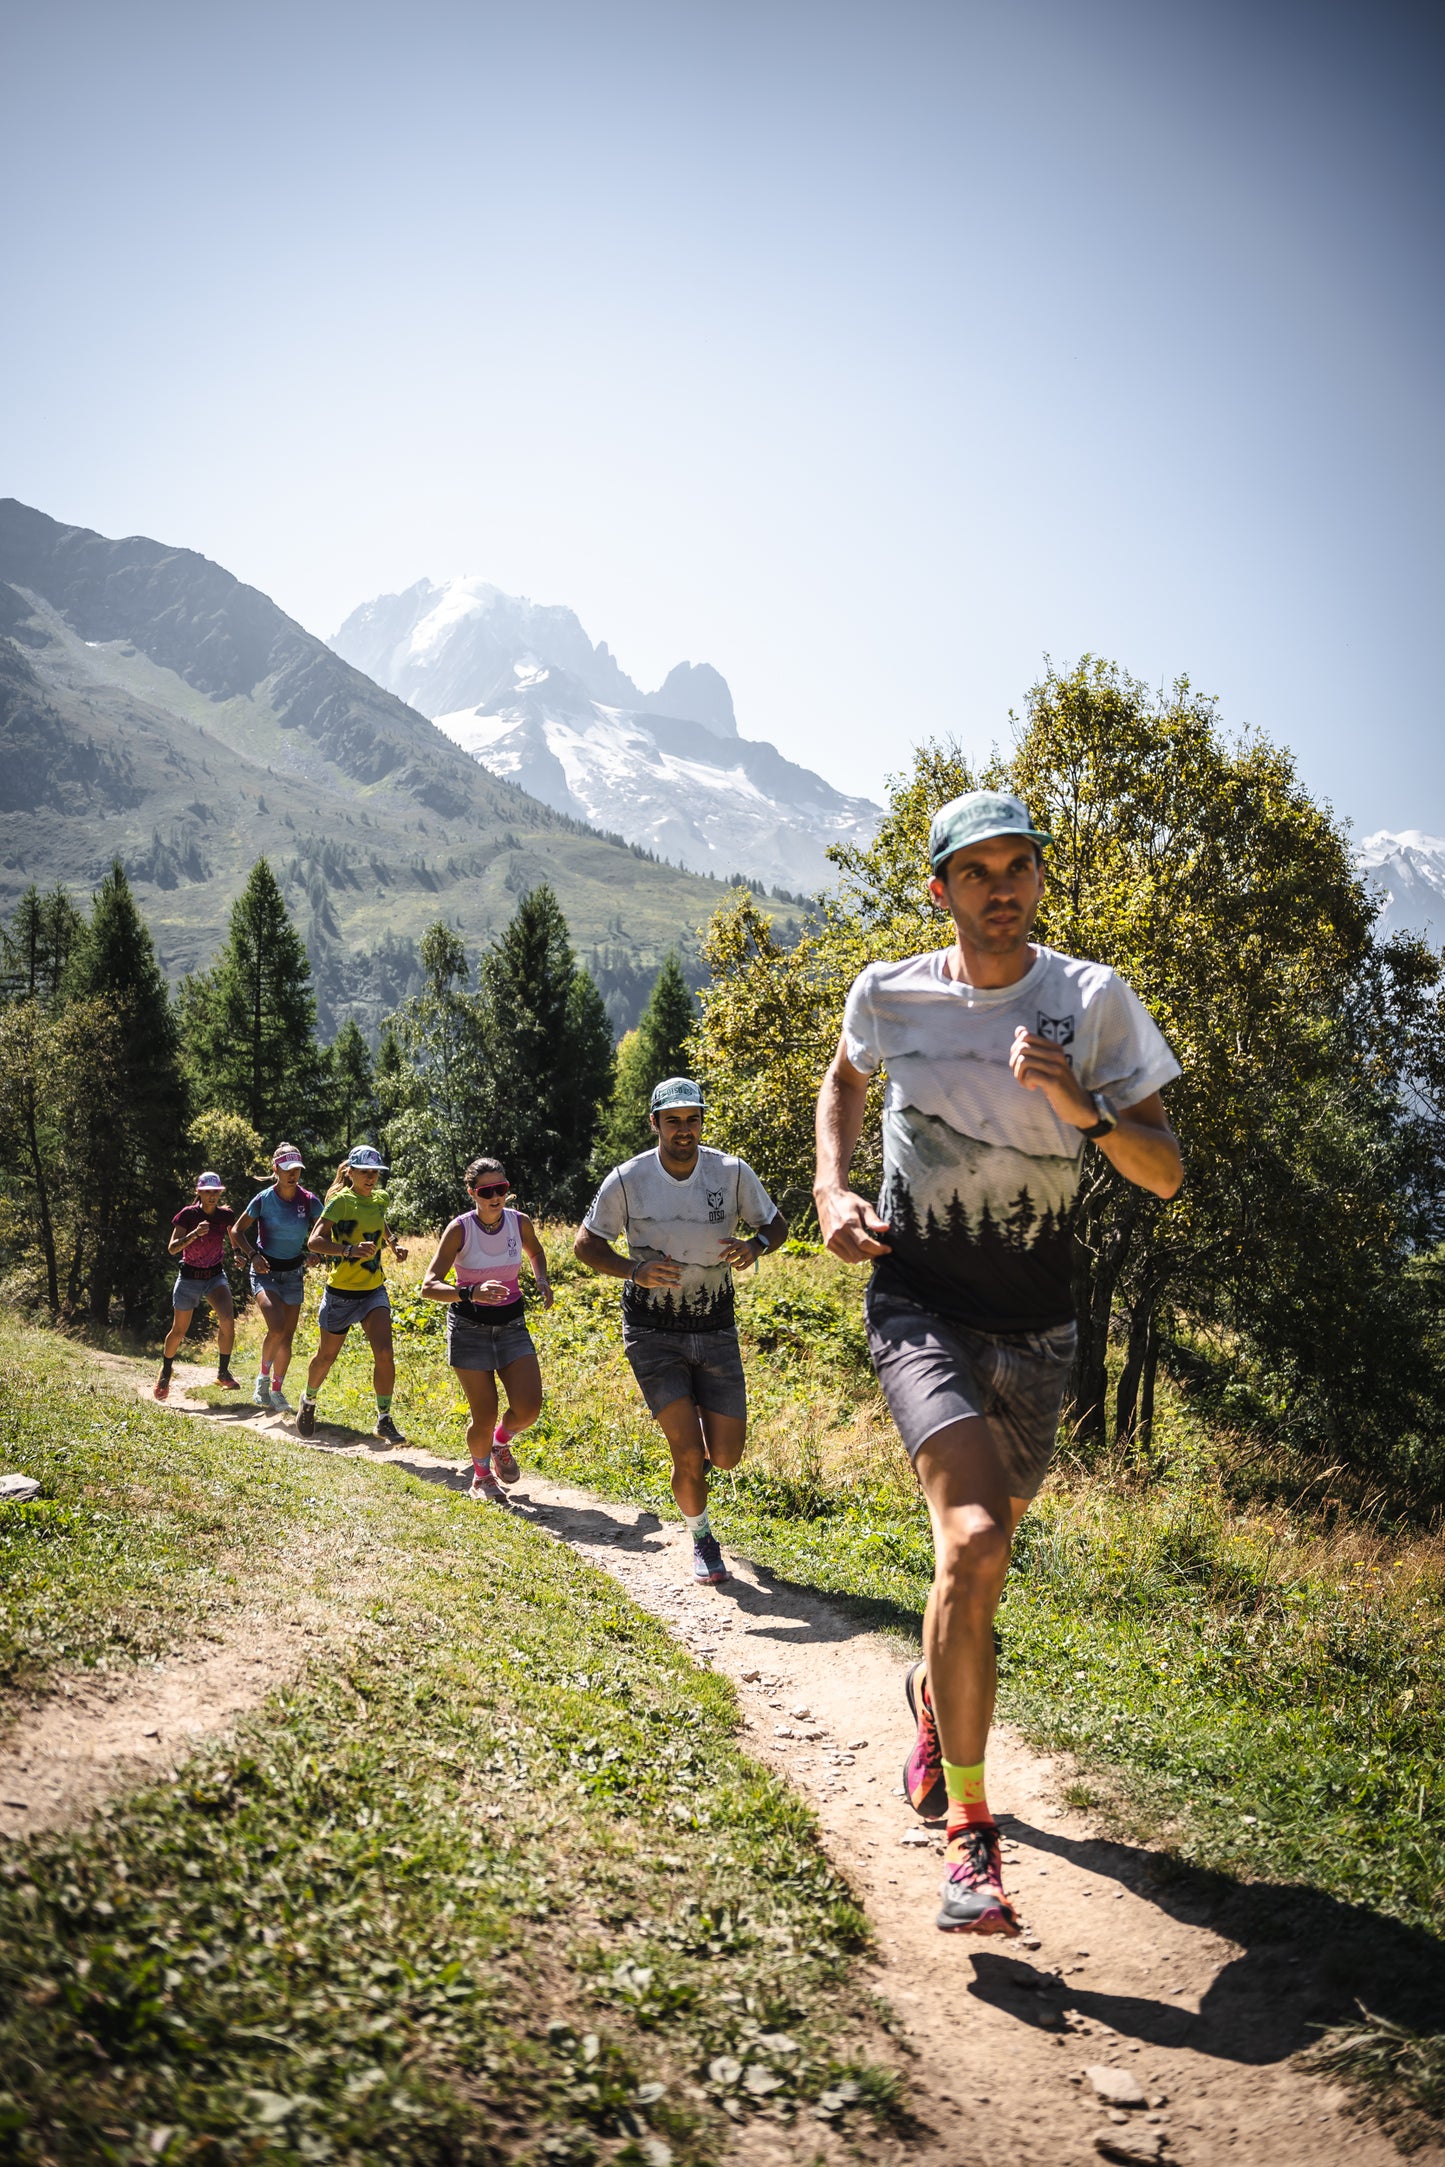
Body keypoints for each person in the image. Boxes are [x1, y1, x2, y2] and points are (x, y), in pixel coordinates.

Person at [813, 790, 1183, 1936]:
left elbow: (1163, 1170)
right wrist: (831, 1188)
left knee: (983, 1564)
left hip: (1040, 1327)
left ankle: (931, 1693)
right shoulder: (889, 989)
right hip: (917, 1300)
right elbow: (842, 1079)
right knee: (966, 1542)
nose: (1000, 886)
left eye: (1017, 865)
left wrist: (1077, 1104)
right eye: (975, 871)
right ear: (939, 891)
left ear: (1036, 878)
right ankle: (970, 1839)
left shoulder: (1090, 998)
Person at [576, 1076, 788, 1585]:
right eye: (673, 1121)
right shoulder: (627, 1179)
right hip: (651, 1329)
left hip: (715, 1323)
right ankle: (702, 1538)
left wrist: (755, 1246)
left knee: (727, 1456)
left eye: (692, 1119)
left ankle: (696, 1444)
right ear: (654, 1124)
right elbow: (586, 1245)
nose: (684, 1130)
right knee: (688, 1452)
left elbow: (775, 1226)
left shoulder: (731, 1172)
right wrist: (633, 1270)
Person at [420, 1156, 554, 1502]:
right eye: (486, 1191)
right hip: (469, 1327)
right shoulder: (460, 1229)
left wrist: (540, 1279)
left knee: (528, 1408)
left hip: (512, 1324)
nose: (495, 1197)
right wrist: (470, 1292)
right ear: (472, 1193)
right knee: (484, 1413)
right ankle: (481, 1478)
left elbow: (536, 1252)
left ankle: (500, 1443)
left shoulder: (519, 1222)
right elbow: (428, 1286)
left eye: (502, 1189)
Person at [296, 1147, 409, 1443]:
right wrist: (349, 1250)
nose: (371, 1178)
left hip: (373, 1290)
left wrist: (393, 1243)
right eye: (365, 1172)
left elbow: (379, 1221)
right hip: (341, 1295)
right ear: (351, 1173)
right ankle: (308, 1402)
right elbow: (314, 1242)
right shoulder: (340, 1203)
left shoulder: (380, 1199)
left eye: (375, 1173)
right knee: (325, 1357)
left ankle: (384, 1419)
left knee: (385, 1353)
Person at [230, 1143, 324, 1411]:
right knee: (277, 1326)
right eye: (286, 1170)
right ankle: (262, 1378)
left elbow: (324, 1231)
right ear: (275, 1170)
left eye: (296, 1169)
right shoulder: (263, 1199)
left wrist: (316, 1252)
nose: (292, 1174)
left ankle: (277, 1390)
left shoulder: (309, 1201)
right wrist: (252, 1255)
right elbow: (237, 1231)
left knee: (287, 1337)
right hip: (265, 1272)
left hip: (294, 1273)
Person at [154, 1171, 240, 1399]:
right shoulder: (187, 1215)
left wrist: (238, 1254)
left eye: (215, 1192)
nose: (212, 1196)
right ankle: (165, 1373)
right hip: (190, 1277)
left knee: (228, 1319)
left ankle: (223, 1372)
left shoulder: (225, 1216)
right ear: (199, 1192)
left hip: (214, 1276)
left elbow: (234, 1238)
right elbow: (172, 1248)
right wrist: (194, 1234)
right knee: (179, 1330)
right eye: (207, 1192)